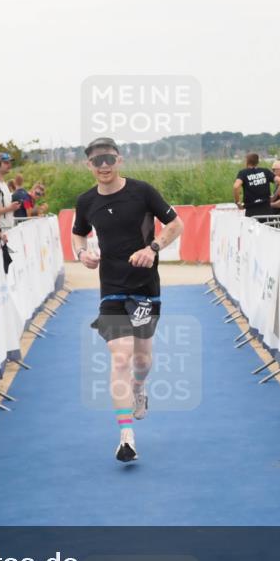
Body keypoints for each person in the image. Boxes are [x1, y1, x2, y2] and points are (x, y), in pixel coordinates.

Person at [71, 137, 184, 463]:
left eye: (109, 159)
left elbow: (175, 224)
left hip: (145, 287)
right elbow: (78, 232)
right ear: (88, 165)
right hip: (111, 290)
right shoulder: (86, 200)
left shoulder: (142, 191)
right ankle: (126, 436)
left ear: (119, 160)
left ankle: (138, 388)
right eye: (97, 161)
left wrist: (153, 249)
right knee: (120, 357)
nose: (104, 166)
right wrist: (82, 253)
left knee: (142, 360)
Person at [233, 153, 279, 218]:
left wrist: (237, 202)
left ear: (247, 161)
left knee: (252, 228)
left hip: (252, 210)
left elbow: (236, 186)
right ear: (257, 162)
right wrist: (274, 196)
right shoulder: (265, 171)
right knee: (268, 227)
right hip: (266, 209)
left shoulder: (243, 173)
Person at [0, 152, 22, 233]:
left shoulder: (4, 184)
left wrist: (12, 208)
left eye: (10, 162)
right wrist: (9, 208)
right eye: (6, 162)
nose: (9, 165)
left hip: (7, 231)